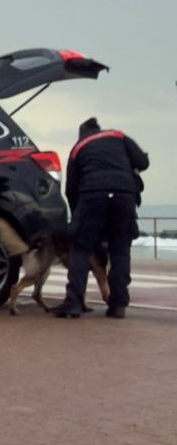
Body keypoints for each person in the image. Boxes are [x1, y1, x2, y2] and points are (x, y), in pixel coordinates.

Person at [53, 117, 149, 319]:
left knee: (81, 248)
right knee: (120, 250)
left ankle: (74, 304)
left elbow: (71, 188)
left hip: (92, 195)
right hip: (124, 195)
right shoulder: (118, 136)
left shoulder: (79, 147)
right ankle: (118, 305)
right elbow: (143, 162)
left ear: (81, 133)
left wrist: (77, 217)